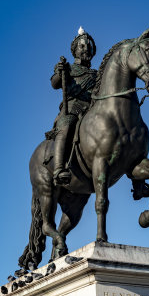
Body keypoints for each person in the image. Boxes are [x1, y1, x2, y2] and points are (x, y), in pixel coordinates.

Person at [50, 27, 97, 185]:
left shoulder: (96, 74)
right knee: (67, 124)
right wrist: (60, 73)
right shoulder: (67, 68)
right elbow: (55, 84)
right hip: (73, 108)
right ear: (75, 50)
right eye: (82, 46)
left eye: (88, 47)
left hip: (92, 109)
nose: (86, 49)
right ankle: (58, 169)